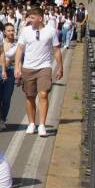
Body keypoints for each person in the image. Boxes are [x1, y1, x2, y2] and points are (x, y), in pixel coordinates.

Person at [15, 7, 63, 137]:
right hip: (28, 67)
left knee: (43, 94)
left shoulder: (51, 31)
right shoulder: (25, 31)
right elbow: (20, 48)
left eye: (31, 17)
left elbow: (57, 50)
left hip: (44, 67)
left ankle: (41, 124)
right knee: (30, 96)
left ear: (40, 18)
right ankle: (31, 123)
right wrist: (17, 66)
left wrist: (60, 67)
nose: (29, 20)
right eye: (29, 17)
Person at [0, 23, 18, 130]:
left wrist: (19, 74)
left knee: (6, 99)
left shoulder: (17, 44)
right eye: (9, 30)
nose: (11, 32)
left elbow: (20, 60)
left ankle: (2, 119)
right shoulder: (0, 43)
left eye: (12, 30)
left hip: (10, 72)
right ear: (4, 32)